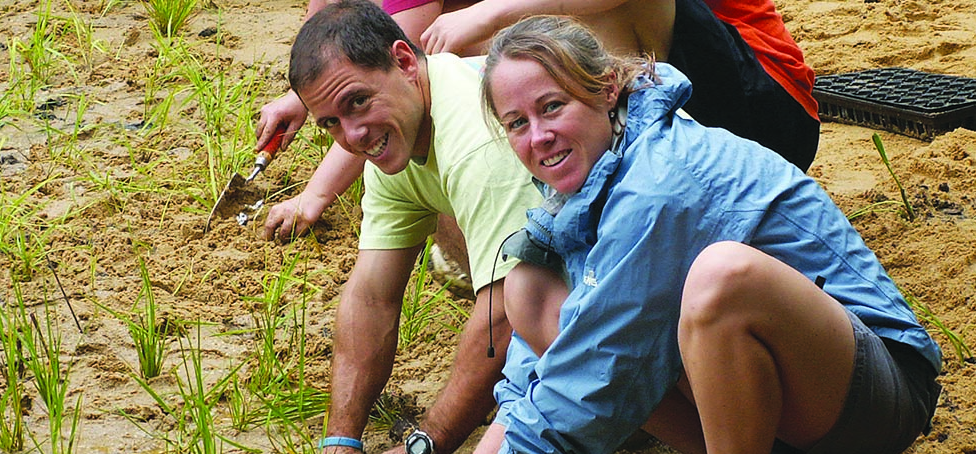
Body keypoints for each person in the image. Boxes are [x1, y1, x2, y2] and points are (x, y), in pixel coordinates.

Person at [393, 16, 942, 454]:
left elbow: (594, 368)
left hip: (874, 397)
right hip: (789, 403)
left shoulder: (659, 178)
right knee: (530, 291)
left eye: (552, 107)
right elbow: (552, 358)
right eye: (517, 123)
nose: (538, 136)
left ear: (607, 89)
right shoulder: (585, 178)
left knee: (719, 277)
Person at [258, 0, 819, 243]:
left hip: (765, 102)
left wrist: (493, 13)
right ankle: (532, 229)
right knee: (460, 59)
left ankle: (615, 193)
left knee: (494, 35)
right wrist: (301, 110)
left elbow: (388, 73)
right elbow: (381, 76)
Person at [285, 0, 538, 454]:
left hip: (691, 251)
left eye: (357, 102)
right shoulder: (391, 140)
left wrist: (425, 447)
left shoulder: (476, 138)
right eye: (330, 123)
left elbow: (509, 313)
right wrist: (341, 437)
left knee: (534, 304)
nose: (352, 136)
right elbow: (372, 295)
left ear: (404, 61)